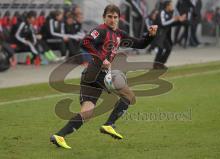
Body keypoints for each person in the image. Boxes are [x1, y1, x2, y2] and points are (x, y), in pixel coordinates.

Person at [50, 4, 158, 149]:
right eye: (109, 17)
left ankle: (59, 135)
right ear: (104, 17)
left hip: (90, 76)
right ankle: (109, 124)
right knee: (129, 96)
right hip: (96, 71)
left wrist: (150, 36)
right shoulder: (100, 30)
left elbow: (140, 44)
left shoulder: (119, 34)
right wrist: (103, 59)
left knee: (87, 113)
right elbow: (86, 42)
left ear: (119, 18)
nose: (112, 20)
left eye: (115, 17)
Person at [153, 0, 186, 69]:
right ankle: (156, 65)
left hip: (165, 34)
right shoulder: (162, 12)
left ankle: (161, 63)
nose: (172, 6)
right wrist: (174, 19)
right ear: (167, 6)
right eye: (171, 5)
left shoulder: (170, 13)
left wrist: (180, 21)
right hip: (158, 32)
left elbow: (171, 23)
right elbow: (163, 23)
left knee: (168, 48)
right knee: (161, 49)